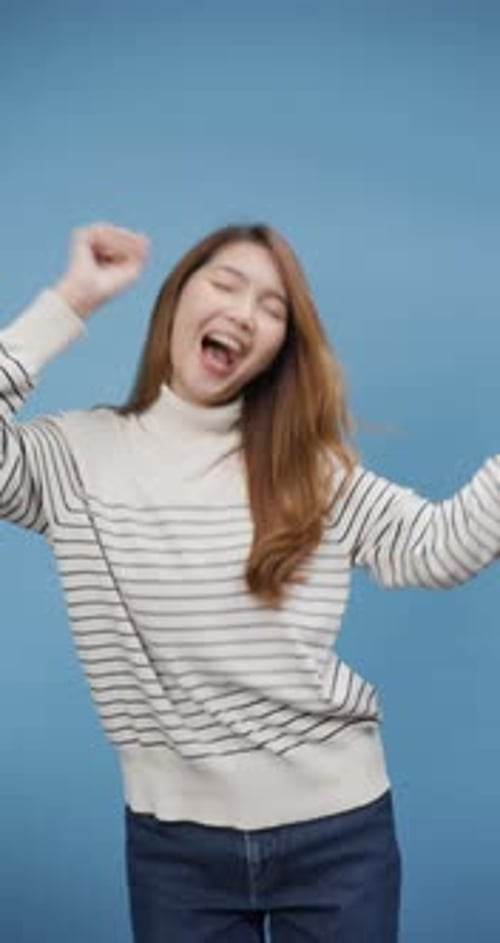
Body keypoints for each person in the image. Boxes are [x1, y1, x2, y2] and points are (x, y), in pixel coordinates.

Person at [1, 222, 499, 943]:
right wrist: (71, 298)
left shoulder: (312, 470)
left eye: (272, 308)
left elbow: (439, 547)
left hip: (338, 836)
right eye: (227, 284)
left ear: (278, 349)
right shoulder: (73, 460)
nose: (243, 312)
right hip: (175, 851)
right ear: (177, 298)